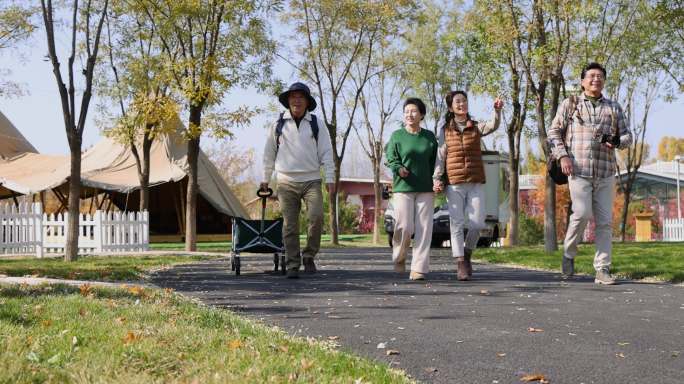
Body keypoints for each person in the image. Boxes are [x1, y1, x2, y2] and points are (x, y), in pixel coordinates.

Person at [548, 62, 632, 285]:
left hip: (605, 172)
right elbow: (554, 131)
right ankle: (569, 254)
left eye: (600, 76)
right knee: (582, 214)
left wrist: (617, 141)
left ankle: (602, 268)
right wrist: (562, 156)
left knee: (604, 222)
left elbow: (627, 137)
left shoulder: (613, 108)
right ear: (583, 81)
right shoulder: (571, 104)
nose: (596, 79)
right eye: (592, 76)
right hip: (578, 169)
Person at [261, 82, 335, 278]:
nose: (296, 100)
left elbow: (327, 152)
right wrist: (265, 179)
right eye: (293, 97)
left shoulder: (316, 123)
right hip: (285, 181)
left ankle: (309, 255)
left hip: (312, 180)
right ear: (288, 101)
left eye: (300, 97)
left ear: (307, 102)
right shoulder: (278, 124)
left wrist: (330, 178)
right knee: (290, 225)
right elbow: (269, 154)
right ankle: (293, 264)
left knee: (316, 217)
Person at [432, 91, 503, 281]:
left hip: (475, 181)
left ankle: (468, 251)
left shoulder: (476, 127)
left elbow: (494, 125)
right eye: (457, 102)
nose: (462, 104)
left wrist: (497, 111)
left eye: (464, 101)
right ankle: (461, 262)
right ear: (451, 107)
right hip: (454, 183)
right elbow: (440, 157)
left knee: (478, 223)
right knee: (456, 223)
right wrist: (437, 178)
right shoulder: (445, 130)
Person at [385, 98, 438, 281]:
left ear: (421, 115)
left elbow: (436, 162)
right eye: (407, 111)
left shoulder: (429, 137)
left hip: (426, 188)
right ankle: (399, 257)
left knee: (424, 228)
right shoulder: (397, 136)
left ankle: (419, 268)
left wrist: (438, 180)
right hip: (403, 187)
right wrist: (398, 168)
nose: (409, 114)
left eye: (414, 111)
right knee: (404, 226)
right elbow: (391, 158)